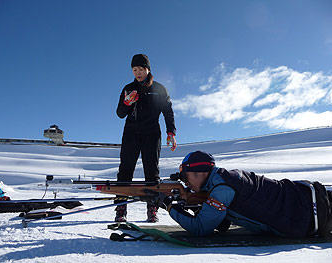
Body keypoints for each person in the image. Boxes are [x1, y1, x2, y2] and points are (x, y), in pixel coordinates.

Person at [149, 151, 332, 237]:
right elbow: (222, 224)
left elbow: (200, 229)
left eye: (186, 177)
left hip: (312, 213)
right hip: (309, 199)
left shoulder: (221, 188)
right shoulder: (223, 179)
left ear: (201, 172)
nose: (185, 182)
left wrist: (169, 206)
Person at [115, 54, 177, 223]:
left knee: (151, 172)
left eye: (141, 69)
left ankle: (152, 210)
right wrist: (127, 103)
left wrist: (170, 132)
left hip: (151, 133)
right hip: (131, 133)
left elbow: (168, 111)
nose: (138, 73)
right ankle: (121, 210)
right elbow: (120, 114)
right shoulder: (128, 88)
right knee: (125, 171)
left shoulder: (159, 88)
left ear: (148, 69)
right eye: (135, 70)